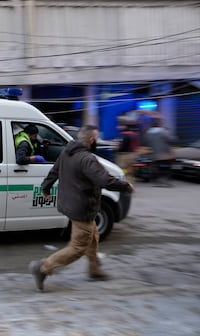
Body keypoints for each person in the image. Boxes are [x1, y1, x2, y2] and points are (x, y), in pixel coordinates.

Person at [28, 124, 134, 292]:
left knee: (93, 236)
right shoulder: (87, 158)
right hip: (82, 208)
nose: (97, 141)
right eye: (96, 138)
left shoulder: (66, 152)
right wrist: (125, 186)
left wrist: (46, 187)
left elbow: (54, 172)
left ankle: (94, 269)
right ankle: (43, 268)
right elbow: (104, 180)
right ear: (91, 140)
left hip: (70, 204)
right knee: (78, 247)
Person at [145, 118, 176, 187]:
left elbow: (147, 142)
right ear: (159, 124)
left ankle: (158, 181)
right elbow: (171, 140)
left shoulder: (148, 133)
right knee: (167, 168)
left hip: (155, 153)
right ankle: (165, 181)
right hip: (165, 153)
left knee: (157, 167)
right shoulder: (163, 131)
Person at [116, 119, 140, 184]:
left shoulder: (124, 135)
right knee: (130, 172)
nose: (118, 127)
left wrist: (117, 148)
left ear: (124, 126)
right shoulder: (134, 134)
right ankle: (130, 185)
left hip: (125, 156)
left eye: (119, 126)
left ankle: (125, 186)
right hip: (133, 155)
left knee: (123, 171)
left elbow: (122, 146)